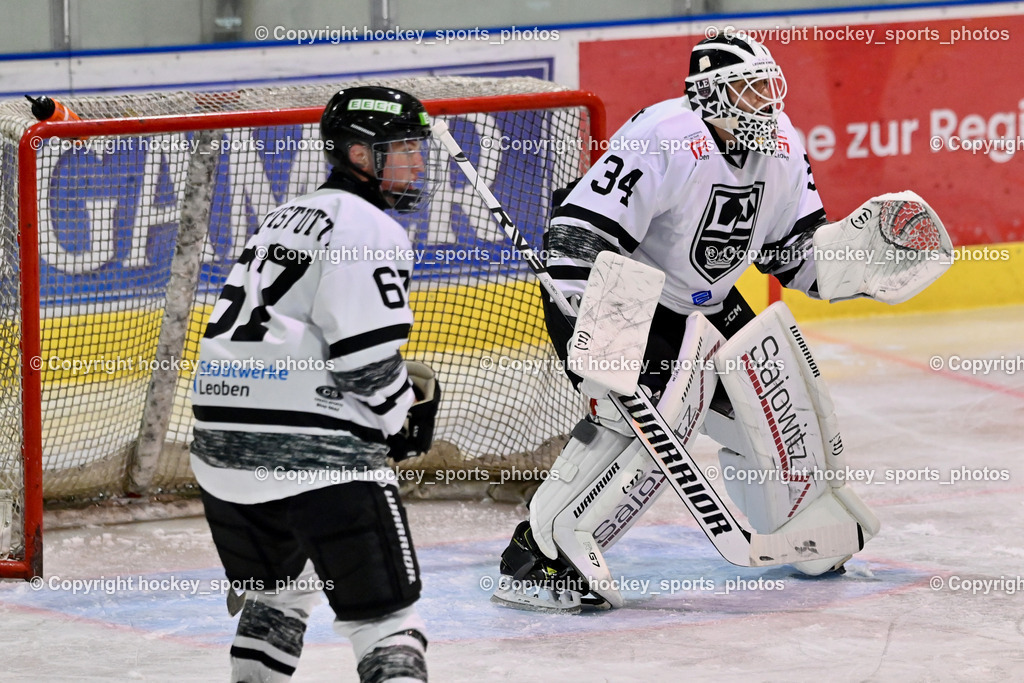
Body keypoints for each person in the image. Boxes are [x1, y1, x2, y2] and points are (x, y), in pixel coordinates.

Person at [492, 34, 879, 613]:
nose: (766, 102)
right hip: (623, 293)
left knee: (782, 403)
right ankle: (541, 557)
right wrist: (592, 326)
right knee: (644, 429)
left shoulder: (781, 143)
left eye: (768, 87)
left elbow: (791, 254)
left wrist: (852, 269)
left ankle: (802, 527)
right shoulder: (665, 135)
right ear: (711, 95)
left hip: (710, 303)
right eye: (749, 90)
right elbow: (580, 229)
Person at [190, 86, 441, 682]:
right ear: (359, 154)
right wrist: (396, 416)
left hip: (218, 453)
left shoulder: (282, 216)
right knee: (387, 623)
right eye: (403, 148)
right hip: (315, 453)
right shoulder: (368, 226)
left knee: (278, 597)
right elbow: (364, 363)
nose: (418, 163)